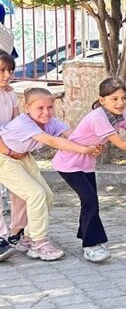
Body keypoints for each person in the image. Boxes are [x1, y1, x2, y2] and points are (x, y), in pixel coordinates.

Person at [52, 78, 126, 262]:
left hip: (86, 163)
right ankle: (90, 245)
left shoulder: (120, 115)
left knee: (89, 200)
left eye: (123, 98)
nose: (120, 103)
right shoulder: (99, 117)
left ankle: (86, 236)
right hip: (68, 162)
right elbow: (122, 145)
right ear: (102, 100)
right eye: (114, 99)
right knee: (90, 200)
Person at [0, 88, 102, 261]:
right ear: (27, 108)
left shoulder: (51, 122)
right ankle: (39, 243)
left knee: (47, 196)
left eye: (50, 107)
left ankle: (29, 238)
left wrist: (95, 143)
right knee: (36, 194)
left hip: (23, 157)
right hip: (4, 158)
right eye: (40, 108)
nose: (46, 112)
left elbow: (73, 136)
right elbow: (53, 141)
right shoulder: (24, 123)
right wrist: (84, 150)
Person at [0, 51, 26, 261]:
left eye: (9, 70)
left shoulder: (10, 93)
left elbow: (17, 122)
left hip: (10, 148)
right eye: (2, 70)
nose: (7, 75)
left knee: (21, 190)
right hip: (4, 149)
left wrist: (20, 147)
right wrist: (8, 151)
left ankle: (16, 232)